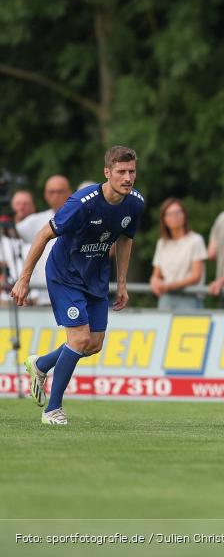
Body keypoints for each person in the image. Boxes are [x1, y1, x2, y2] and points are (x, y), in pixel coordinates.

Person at [12, 146, 144, 425]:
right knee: (80, 339)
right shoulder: (83, 202)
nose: (127, 177)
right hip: (65, 275)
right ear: (107, 172)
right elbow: (43, 234)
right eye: (121, 171)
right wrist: (24, 279)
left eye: (131, 171)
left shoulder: (135, 203)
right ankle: (52, 410)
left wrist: (121, 283)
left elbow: (125, 239)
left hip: (95, 276)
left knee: (93, 344)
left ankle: (41, 364)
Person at [15, 175, 72, 306]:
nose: (55, 196)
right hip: (43, 295)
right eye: (51, 192)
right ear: (45, 195)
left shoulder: (81, 217)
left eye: (60, 191)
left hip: (71, 292)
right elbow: (11, 232)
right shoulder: (36, 220)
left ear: (69, 192)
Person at [150, 198, 207, 311]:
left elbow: (196, 276)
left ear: (184, 215)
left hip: (189, 298)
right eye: (170, 214)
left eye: (178, 212)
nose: (175, 216)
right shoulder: (162, 243)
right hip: (166, 299)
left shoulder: (195, 240)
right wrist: (154, 282)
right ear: (164, 219)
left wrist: (169, 286)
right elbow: (156, 274)